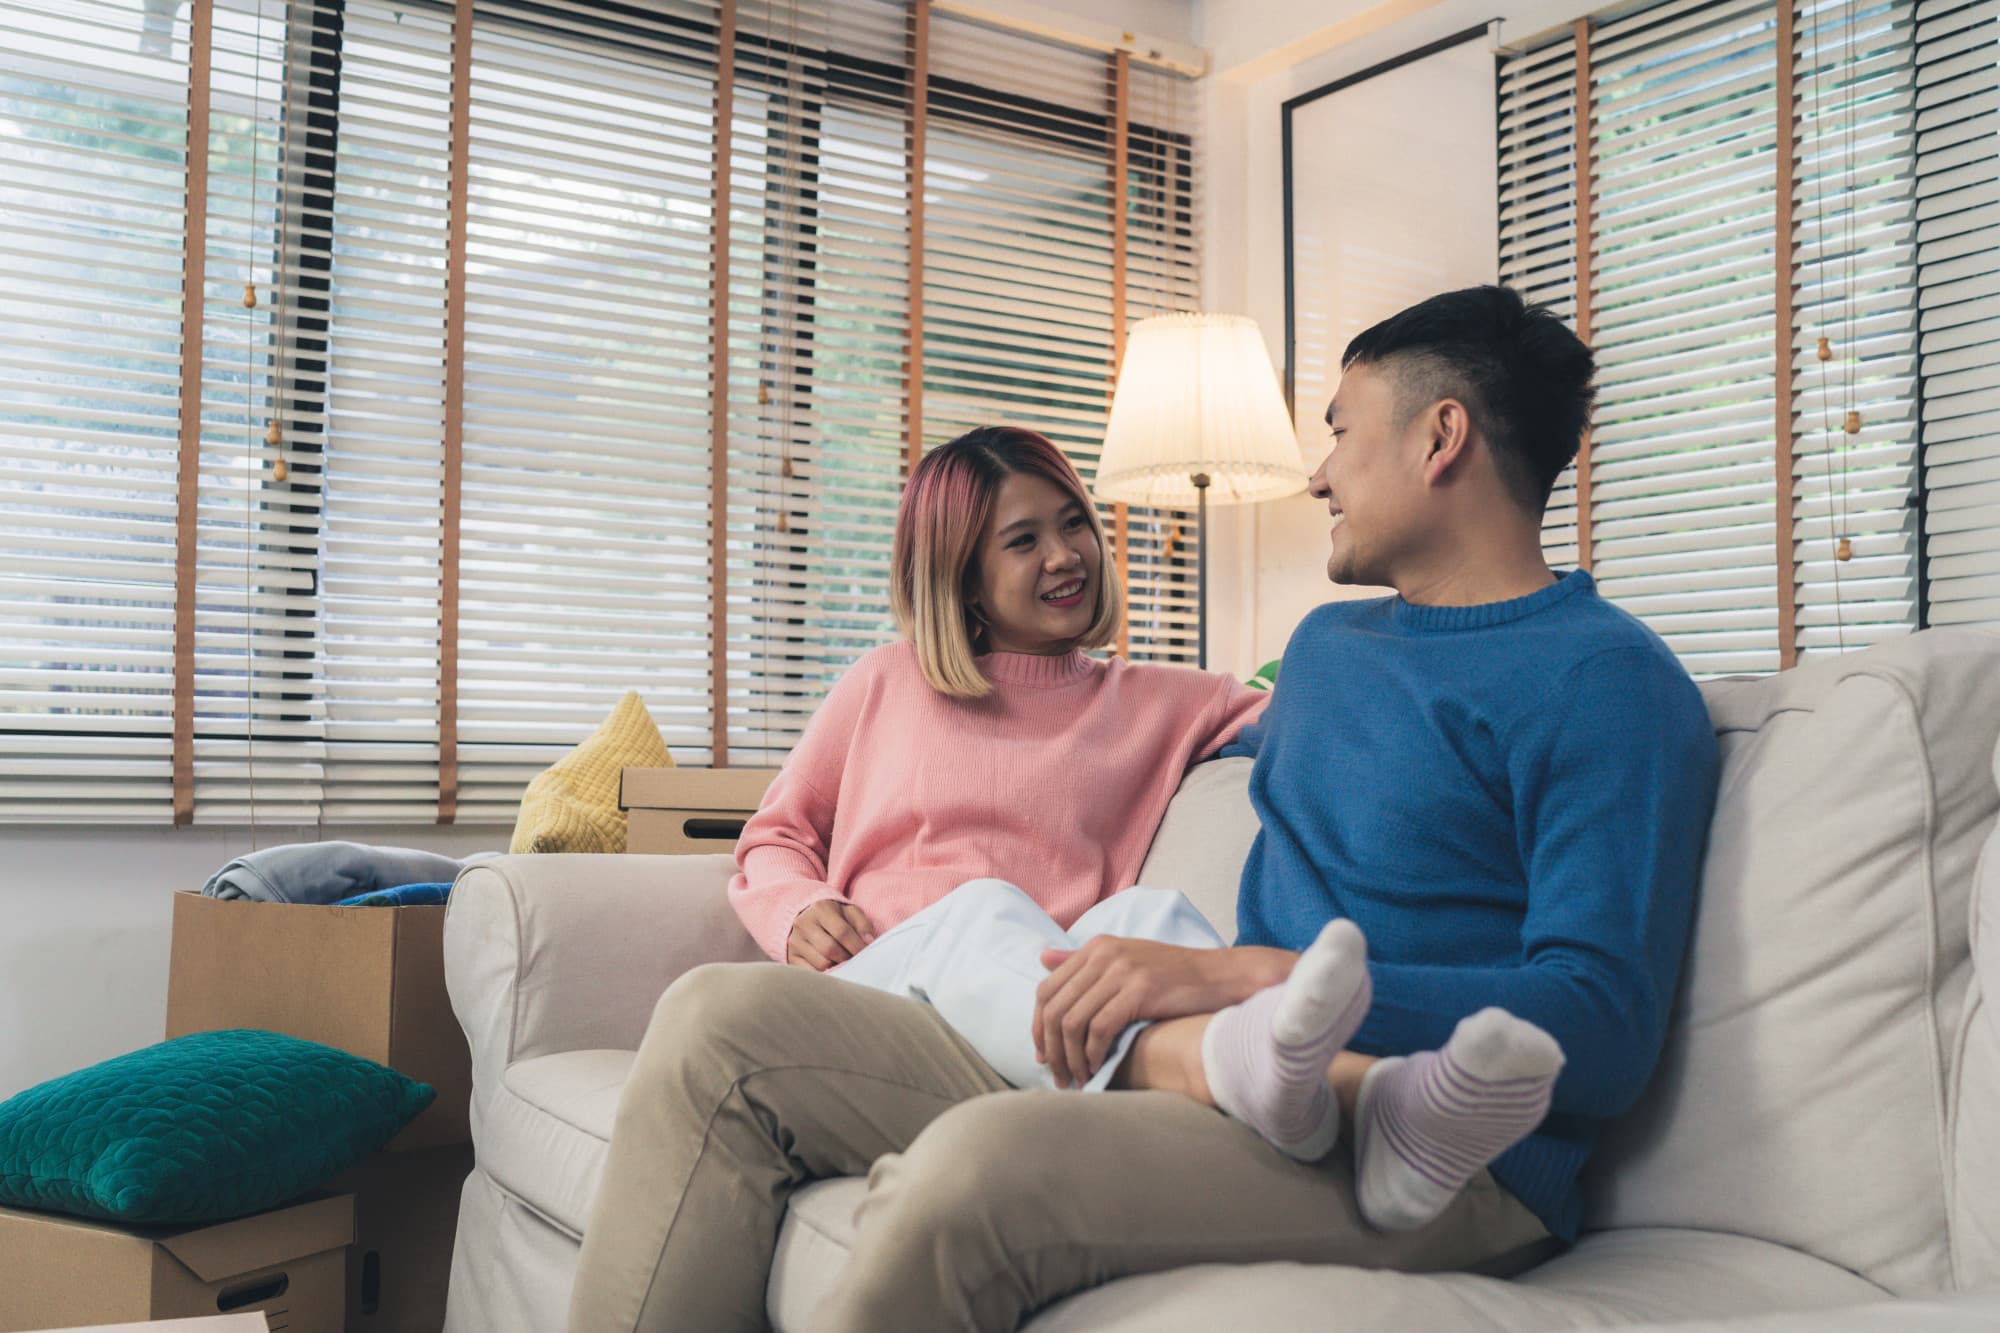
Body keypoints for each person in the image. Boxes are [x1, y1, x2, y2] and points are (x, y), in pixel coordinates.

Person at [566, 286, 1721, 1333]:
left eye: (1335, 430)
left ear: (1438, 438)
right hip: (1240, 1079)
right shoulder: (1327, 650)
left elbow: (1603, 1032)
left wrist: (1238, 975)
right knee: (716, 1024)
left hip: (1448, 1152)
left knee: (976, 1173)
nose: (1315, 472)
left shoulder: (1605, 681)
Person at [728, 427, 1565, 1198]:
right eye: (1024, 542)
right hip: (878, 1003)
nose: (1066, 556)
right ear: (963, 579)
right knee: (980, 910)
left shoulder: (1158, 700)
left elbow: (1326, 720)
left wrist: (1517, 688)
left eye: (1074, 525)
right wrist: (799, 910)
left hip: (1043, 1025)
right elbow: (773, 837)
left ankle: (1367, 1102)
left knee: (1149, 916)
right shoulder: (885, 682)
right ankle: (1263, 1078)